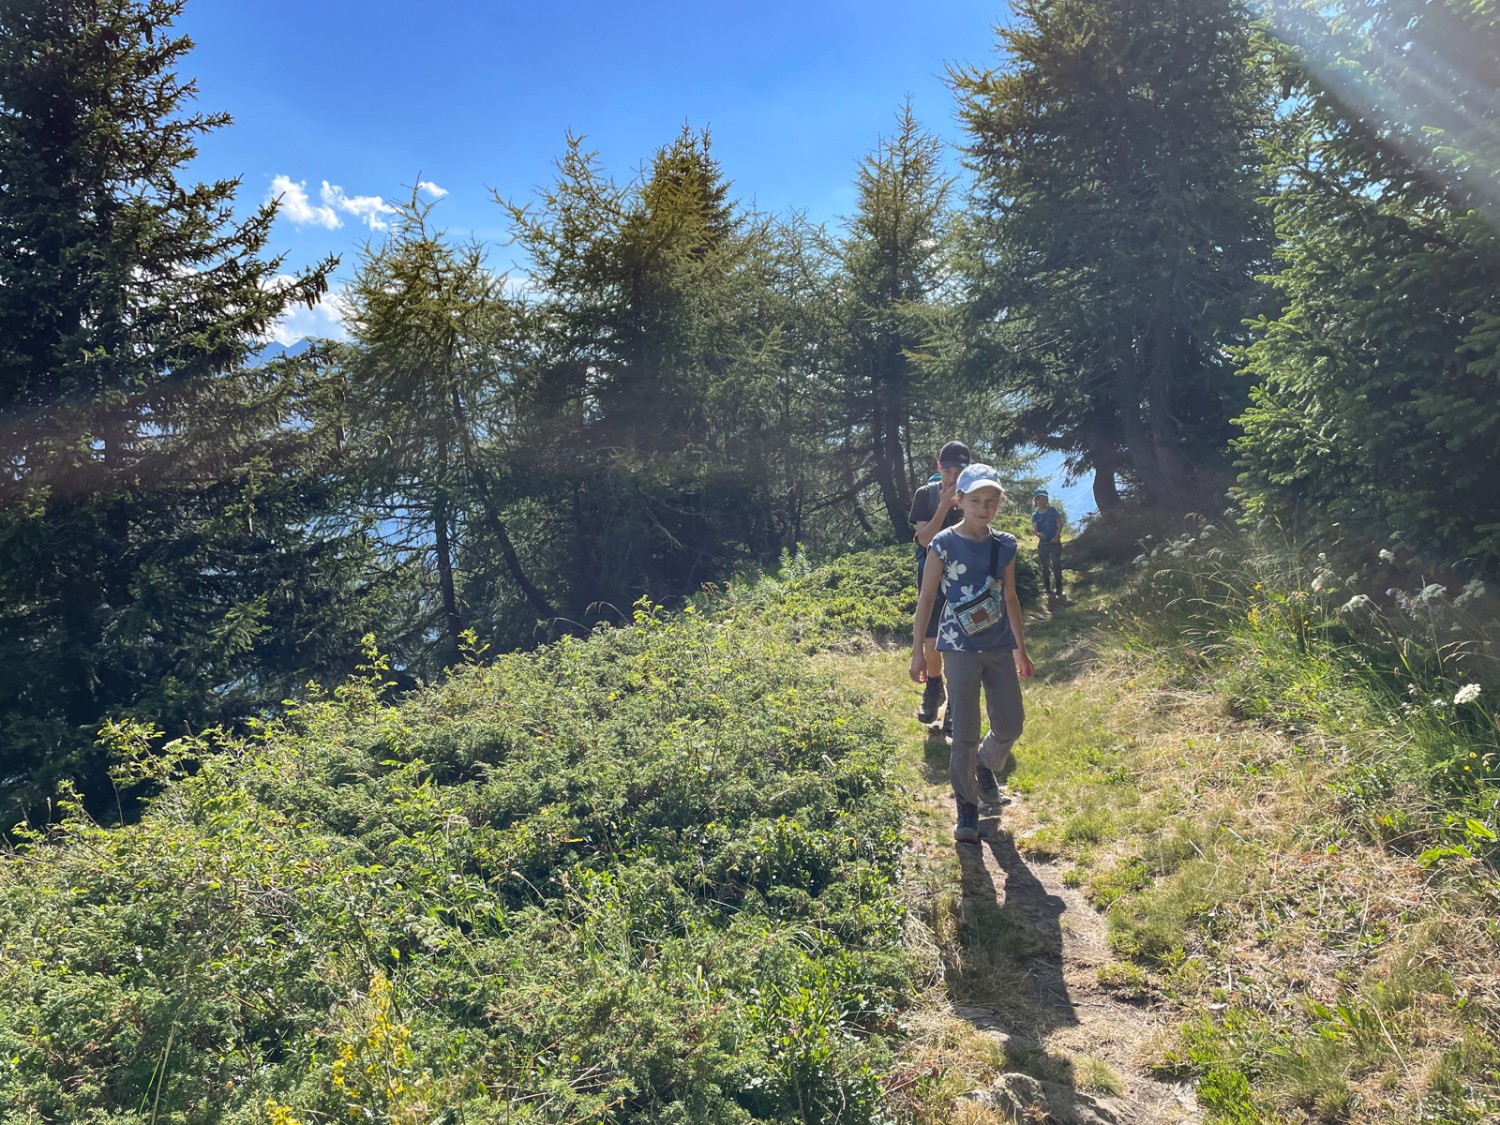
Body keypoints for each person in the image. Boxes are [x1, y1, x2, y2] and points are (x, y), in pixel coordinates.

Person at [910, 464, 1034, 843]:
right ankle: (966, 807)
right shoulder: (943, 544)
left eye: (991, 501)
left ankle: (985, 763)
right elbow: (928, 598)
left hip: (997, 646)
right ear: (959, 501)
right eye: (976, 500)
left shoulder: (1005, 545)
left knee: (1011, 723)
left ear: (999, 503)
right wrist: (918, 652)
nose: (984, 508)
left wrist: (1020, 651)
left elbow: (1010, 598)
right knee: (963, 731)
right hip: (958, 648)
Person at [908, 441, 970, 731]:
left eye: (959, 470)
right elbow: (923, 538)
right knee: (931, 644)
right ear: (939, 468)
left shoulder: (974, 496)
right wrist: (945, 504)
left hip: (964, 582)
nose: (953, 476)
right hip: (931, 579)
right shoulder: (926, 495)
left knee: (960, 646)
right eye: (948, 470)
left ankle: (957, 704)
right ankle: (934, 686)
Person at [1032, 488, 1064, 602]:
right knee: (1045, 566)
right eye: (1039, 499)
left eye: (1043, 498)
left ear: (1047, 500)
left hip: (1055, 542)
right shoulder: (1035, 515)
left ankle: (1059, 587)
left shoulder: (1052, 510)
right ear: (1035, 501)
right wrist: (1037, 534)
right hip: (1043, 544)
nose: (1041, 501)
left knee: (1056, 564)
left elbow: (1060, 524)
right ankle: (1047, 588)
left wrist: (1056, 536)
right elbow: (1034, 528)